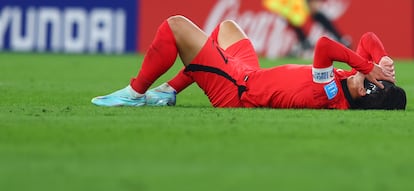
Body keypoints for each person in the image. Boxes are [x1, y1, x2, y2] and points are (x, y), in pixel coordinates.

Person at [91, 15, 406, 110]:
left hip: (236, 89)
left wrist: (366, 67)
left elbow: (323, 45)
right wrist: (381, 58)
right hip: (251, 73)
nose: (363, 73)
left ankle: (135, 94)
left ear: (365, 91)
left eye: (370, 79)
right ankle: (170, 90)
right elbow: (366, 38)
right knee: (227, 28)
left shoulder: (330, 93)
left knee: (175, 26)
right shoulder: (352, 84)